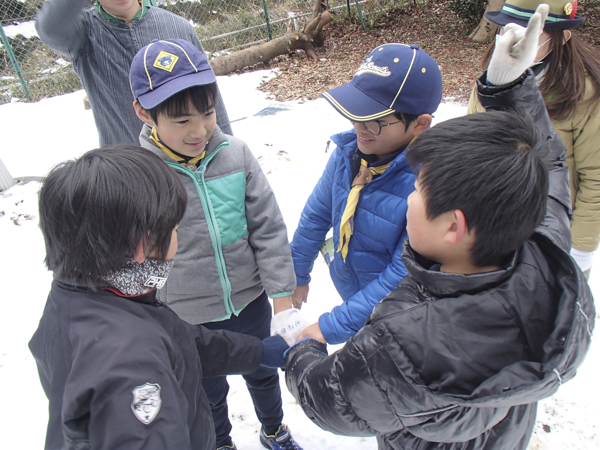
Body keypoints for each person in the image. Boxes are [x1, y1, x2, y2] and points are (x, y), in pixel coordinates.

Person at [277, 5, 595, 449]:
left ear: (453, 226)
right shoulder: (539, 251)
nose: (410, 197)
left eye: (418, 194)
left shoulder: (407, 344)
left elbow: (329, 400)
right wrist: (508, 87)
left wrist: (304, 348)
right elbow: (551, 164)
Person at [29, 146, 290, 450]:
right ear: (143, 244)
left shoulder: (84, 296)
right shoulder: (132, 365)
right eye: (176, 229)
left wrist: (258, 352)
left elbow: (174, 341)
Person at [129, 39, 303, 450]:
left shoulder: (236, 155)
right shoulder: (141, 176)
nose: (199, 130)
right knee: (207, 388)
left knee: (262, 369)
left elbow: (268, 228)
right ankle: (220, 443)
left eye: (207, 113)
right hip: (188, 314)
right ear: (143, 111)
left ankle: (274, 429)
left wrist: (281, 298)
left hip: (249, 301)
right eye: (181, 120)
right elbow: (136, 256)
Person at [289, 43, 443, 344]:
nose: (358, 126)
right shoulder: (348, 154)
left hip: (403, 315)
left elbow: (403, 273)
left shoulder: (428, 184)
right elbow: (317, 215)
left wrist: (334, 325)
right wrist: (296, 274)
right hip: (355, 295)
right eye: (355, 112)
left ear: (420, 125)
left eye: (374, 119)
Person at [467, 0, 600, 279]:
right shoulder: (492, 77)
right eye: (507, 28)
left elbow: (595, 176)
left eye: (530, 31)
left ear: (563, 36)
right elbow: (469, 143)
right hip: (493, 228)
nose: (516, 38)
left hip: (550, 232)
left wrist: (579, 248)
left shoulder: (585, 93)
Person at [35, 0, 233, 146]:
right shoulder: (84, 36)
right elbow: (50, 28)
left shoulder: (177, 26)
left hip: (190, 162)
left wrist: (227, 149)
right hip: (129, 171)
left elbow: (209, 97)